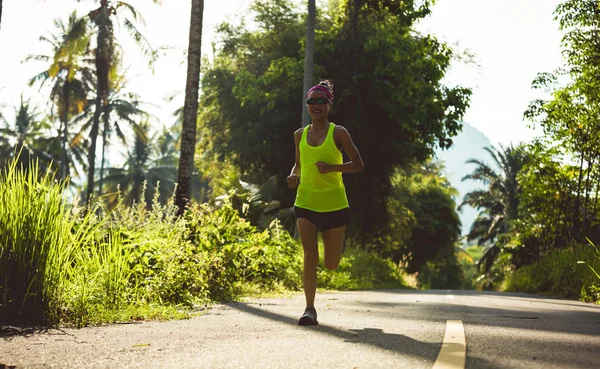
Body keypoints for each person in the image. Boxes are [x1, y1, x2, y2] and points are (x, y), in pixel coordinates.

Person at [287, 80, 364, 326]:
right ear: (307, 106)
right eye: (312, 102)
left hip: (335, 205)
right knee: (310, 254)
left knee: (331, 265)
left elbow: (358, 164)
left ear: (329, 105)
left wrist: (332, 168)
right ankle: (309, 309)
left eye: (321, 101)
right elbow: (299, 164)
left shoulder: (338, 132)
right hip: (306, 202)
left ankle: (337, 246)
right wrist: (293, 176)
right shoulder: (299, 135)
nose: (316, 106)